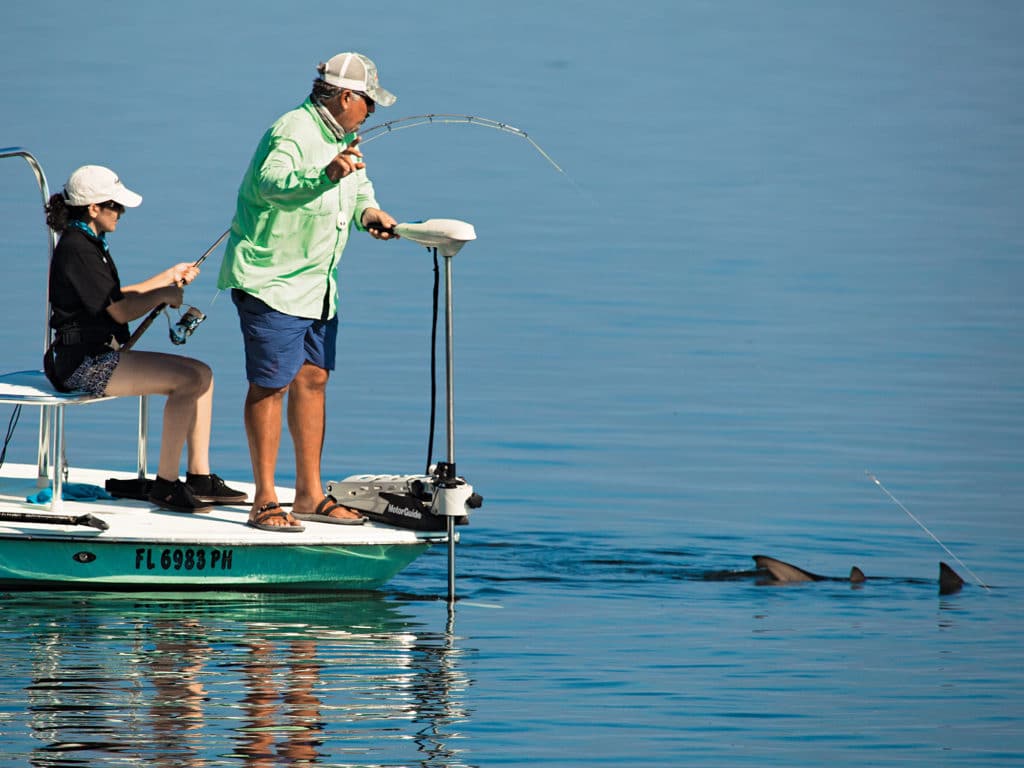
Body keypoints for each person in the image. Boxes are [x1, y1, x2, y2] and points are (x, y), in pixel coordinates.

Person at [218, 52, 399, 533]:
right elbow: (271, 183)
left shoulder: (344, 136)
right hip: (272, 281)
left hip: (318, 287)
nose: (372, 112)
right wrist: (324, 175)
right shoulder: (292, 132)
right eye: (369, 103)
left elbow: (359, 186)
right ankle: (265, 499)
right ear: (346, 97)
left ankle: (309, 494)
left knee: (314, 379)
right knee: (271, 384)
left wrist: (370, 213)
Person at [45, 164, 246, 513]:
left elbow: (113, 297)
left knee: (203, 374)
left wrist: (167, 278)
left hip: (97, 356)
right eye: (115, 206)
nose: (120, 213)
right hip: (82, 365)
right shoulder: (78, 248)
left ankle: (198, 476)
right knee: (186, 381)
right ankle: (166, 485)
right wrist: (161, 295)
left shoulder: (89, 243)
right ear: (94, 208)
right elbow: (120, 312)